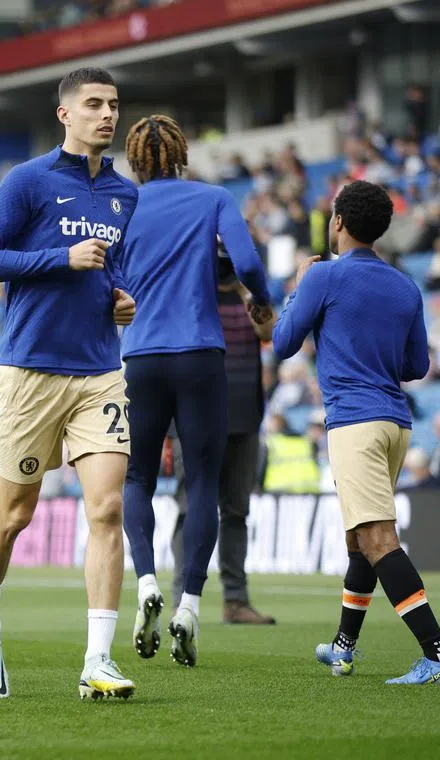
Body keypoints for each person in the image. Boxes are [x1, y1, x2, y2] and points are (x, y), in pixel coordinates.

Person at [0, 66, 139, 700]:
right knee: (13, 514)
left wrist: (123, 300)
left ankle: (99, 659)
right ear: (65, 114)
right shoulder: (27, 181)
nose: (107, 114)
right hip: (31, 369)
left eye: (114, 104)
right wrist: (59, 258)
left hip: (99, 372)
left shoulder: (124, 194)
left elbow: (115, 272)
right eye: (94, 103)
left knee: (108, 508)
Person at [273, 180, 440, 685]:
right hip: (396, 423)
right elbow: (417, 365)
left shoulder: (324, 278)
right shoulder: (405, 286)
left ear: (337, 223)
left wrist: (297, 284)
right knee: (360, 537)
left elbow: (282, 343)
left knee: (377, 538)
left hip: (353, 422)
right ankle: (342, 647)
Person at [118, 114, 273, 668]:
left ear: (135, 160)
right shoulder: (212, 197)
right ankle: (188, 606)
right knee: (203, 482)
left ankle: (144, 584)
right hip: (202, 354)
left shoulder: (121, 204)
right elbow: (249, 262)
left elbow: (103, 276)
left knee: (136, 477)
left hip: (139, 356)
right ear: (182, 153)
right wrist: (262, 298)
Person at [167, 254, 277, 627]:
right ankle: (180, 600)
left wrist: (251, 290)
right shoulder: (192, 294)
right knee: (190, 509)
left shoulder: (252, 298)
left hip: (245, 417)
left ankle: (236, 600)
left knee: (236, 512)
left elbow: (269, 333)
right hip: (194, 419)